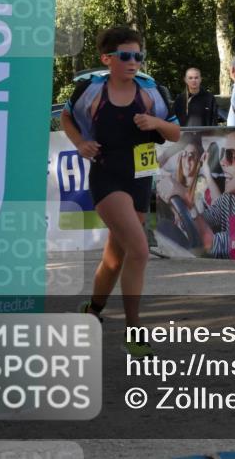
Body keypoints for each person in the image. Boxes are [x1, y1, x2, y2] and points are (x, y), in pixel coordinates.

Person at [61, 26, 180, 357]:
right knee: (140, 250)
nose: (133, 62)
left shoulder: (151, 91)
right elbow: (66, 119)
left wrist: (155, 124)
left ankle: (92, 311)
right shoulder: (91, 90)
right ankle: (134, 331)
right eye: (125, 56)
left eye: (138, 56)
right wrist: (80, 143)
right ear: (107, 59)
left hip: (140, 177)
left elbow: (175, 132)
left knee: (115, 257)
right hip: (107, 177)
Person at [192, 129, 235, 258]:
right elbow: (206, 219)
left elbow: (212, 244)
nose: (222, 162)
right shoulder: (228, 199)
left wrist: (187, 204)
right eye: (222, 154)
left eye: (230, 156)